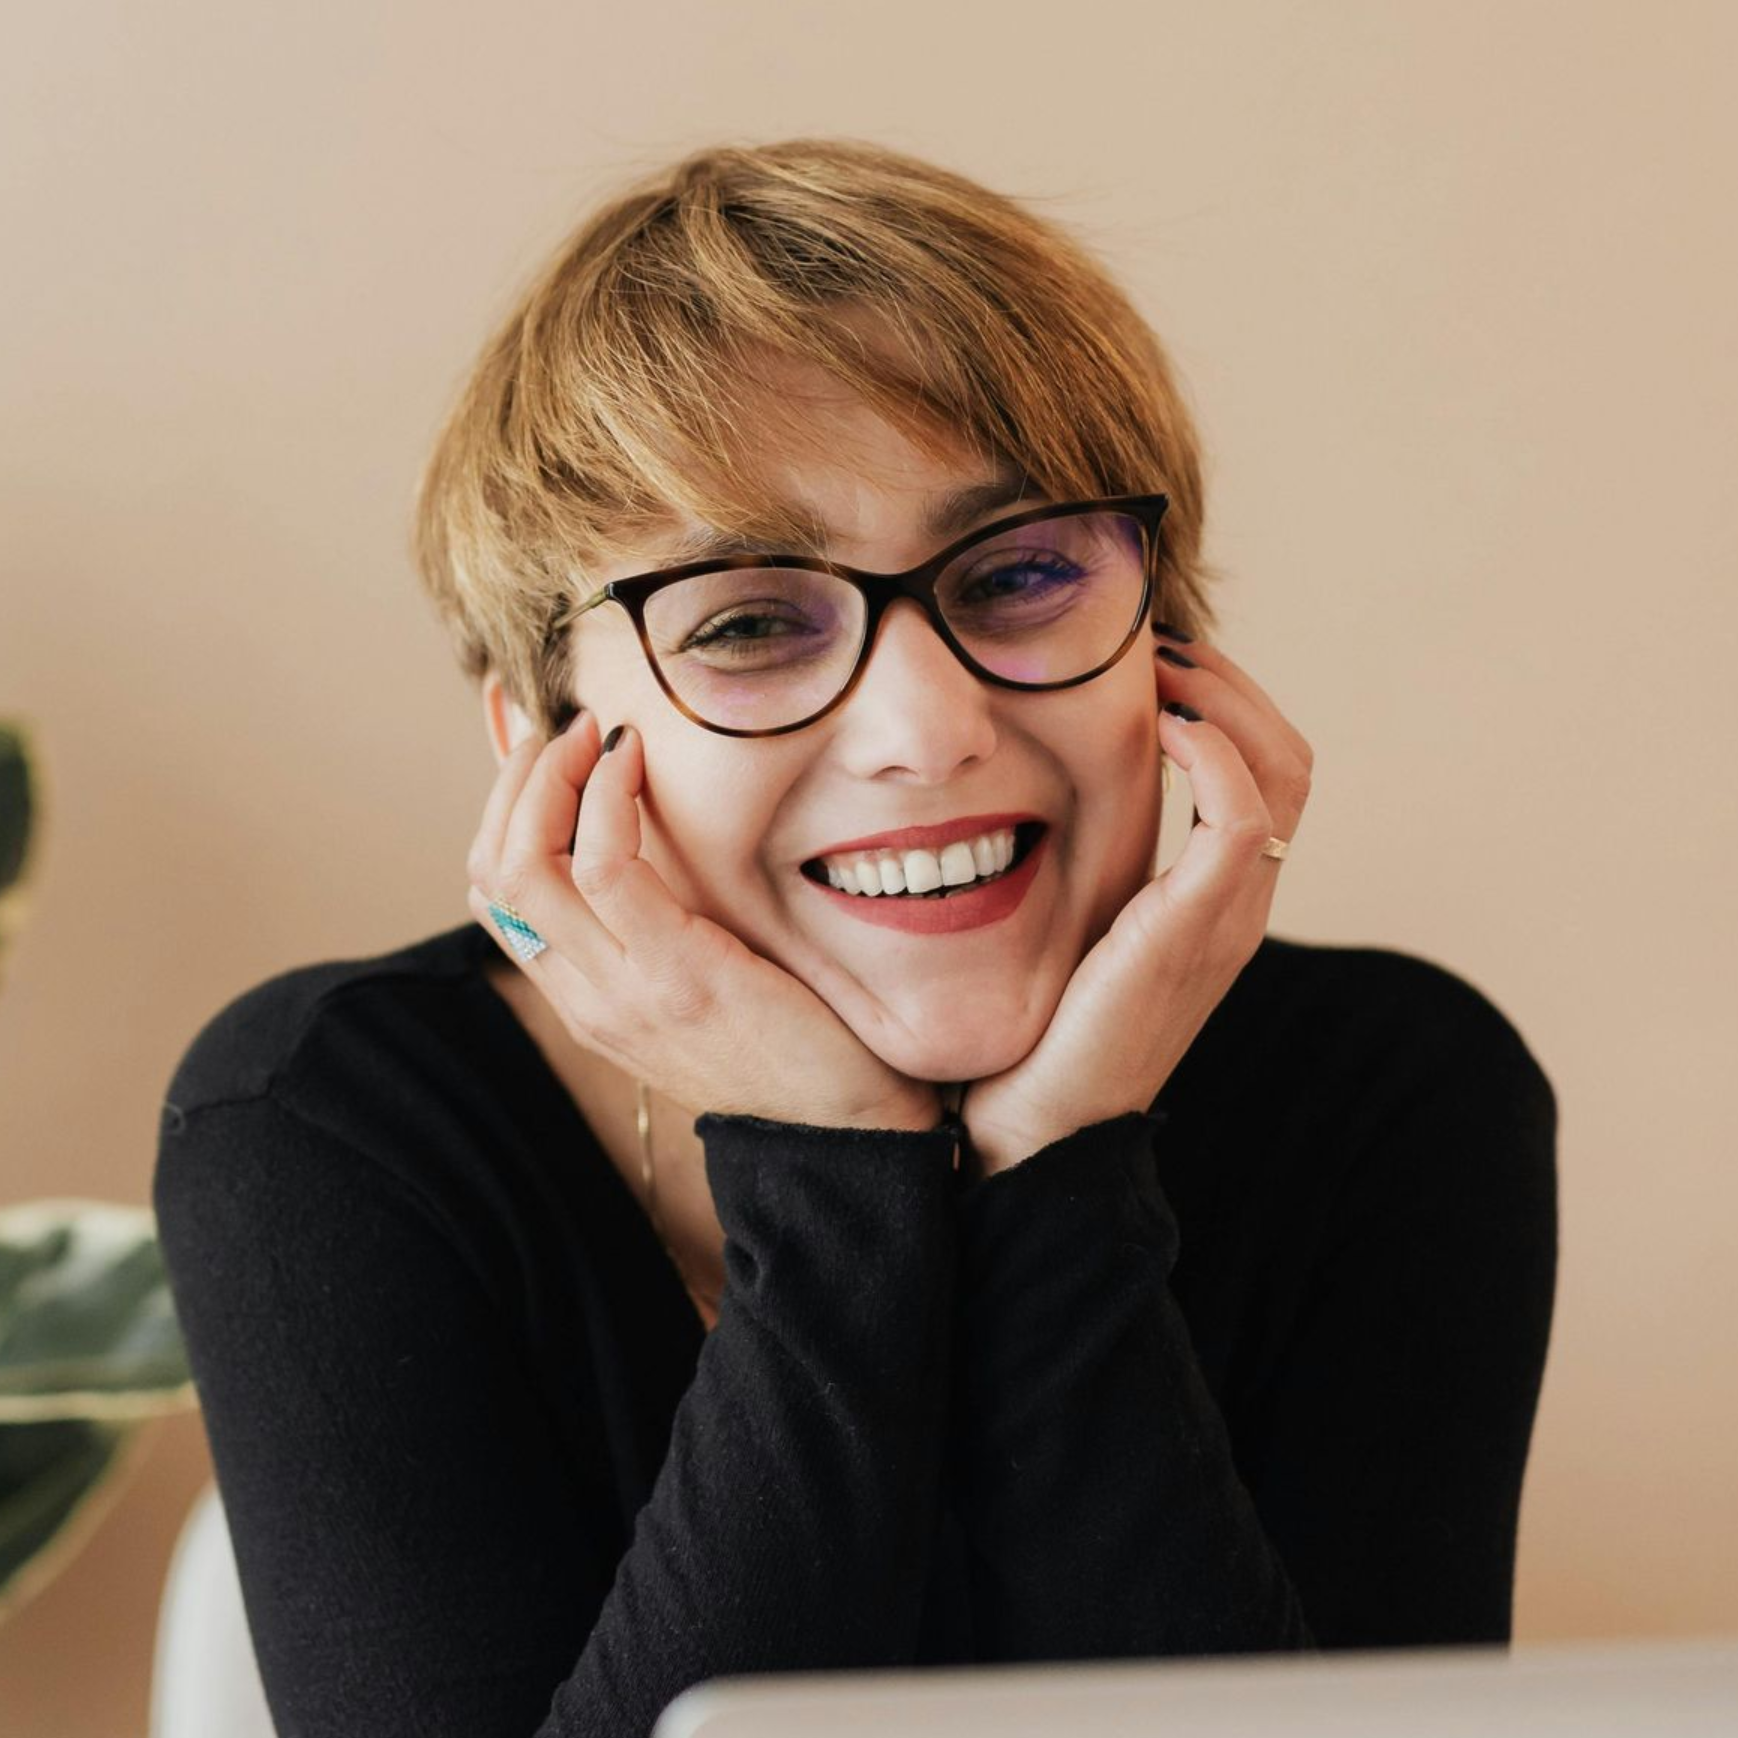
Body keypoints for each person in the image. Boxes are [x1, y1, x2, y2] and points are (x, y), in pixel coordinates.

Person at [153, 139, 1558, 1738]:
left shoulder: (1391, 1093)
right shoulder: (330, 1124)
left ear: (1170, 646)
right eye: (747, 621)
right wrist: (833, 1173)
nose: (923, 726)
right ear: (544, 737)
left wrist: (1055, 1168)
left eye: (1022, 573)